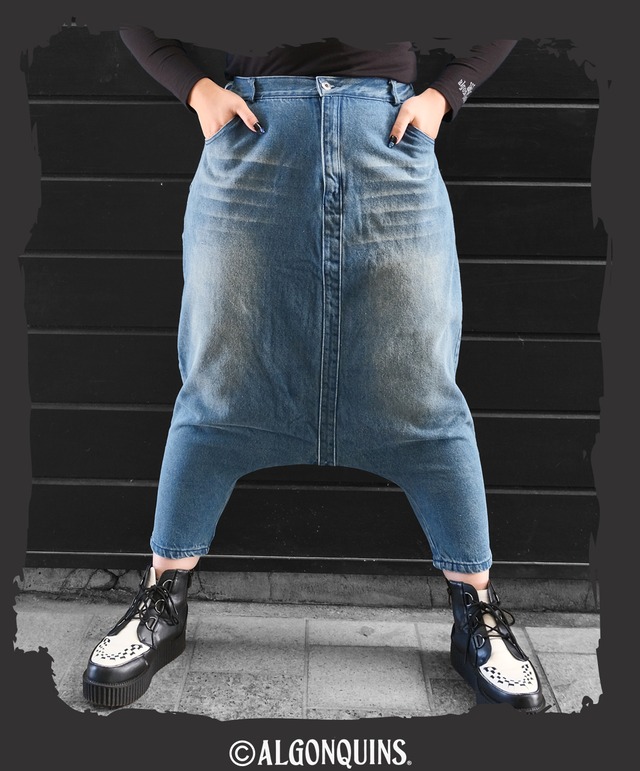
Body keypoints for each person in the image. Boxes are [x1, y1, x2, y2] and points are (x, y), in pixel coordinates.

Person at [82, 27, 546, 713]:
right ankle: (163, 602)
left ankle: (474, 612)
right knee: (218, 384)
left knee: (421, 392)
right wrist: (196, 90)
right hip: (254, 140)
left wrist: (445, 96)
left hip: (388, 141)